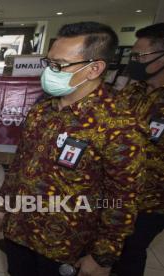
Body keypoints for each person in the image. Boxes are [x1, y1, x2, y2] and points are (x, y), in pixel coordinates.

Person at [0, 22, 146, 276]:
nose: (50, 71)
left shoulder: (120, 124)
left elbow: (124, 199)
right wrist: (1, 205)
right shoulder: (42, 110)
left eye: (59, 65)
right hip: (20, 232)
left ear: (94, 68)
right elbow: (20, 164)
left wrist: (102, 256)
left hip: (66, 246)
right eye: (48, 62)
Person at [112, 23, 164, 276]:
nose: (134, 61)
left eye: (140, 56)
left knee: (129, 252)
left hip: (150, 203)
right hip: (112, 192)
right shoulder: (133, 91)